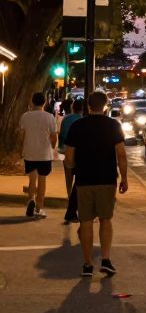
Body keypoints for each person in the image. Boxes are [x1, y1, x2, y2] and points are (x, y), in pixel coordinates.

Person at [64, 90, 128, 277]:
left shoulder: (77, 126)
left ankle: (86, 264)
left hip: (83, 180)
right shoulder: (113, 125)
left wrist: (74, 167)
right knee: (105, 219)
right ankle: (106, 260)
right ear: (106, 104)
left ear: (88, 105)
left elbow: (68, 158)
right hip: (107, 179)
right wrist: (124, 178)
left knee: (85, 221)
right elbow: (121, 154)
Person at [18, 92, 58, 219]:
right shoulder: (49, 117)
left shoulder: (25, 116)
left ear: (32, 102)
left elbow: (21, 135)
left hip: (30, 152)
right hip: (44, 153)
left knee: (32, 180)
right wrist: (53, 147)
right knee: (42, 181)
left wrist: (21, 149)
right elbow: (54, 136)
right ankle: (39, 208)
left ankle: (31, 200)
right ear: (45, 102)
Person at [57, 96, 85, 224]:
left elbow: (62, 135)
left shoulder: (66, 119)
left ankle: (70, 198)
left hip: (66, 151)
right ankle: (76, 204)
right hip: (80, 153)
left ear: (73, 108)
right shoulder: (84, 120)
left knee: (69, 177)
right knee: (79, 179)